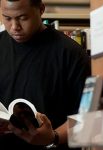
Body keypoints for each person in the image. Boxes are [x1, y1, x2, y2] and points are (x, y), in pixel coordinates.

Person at [0, 0, 91, 149]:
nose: (15, 27)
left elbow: (87, 117)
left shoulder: (70, 53)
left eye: (23, 18)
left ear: (41, 9)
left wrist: (53, 137)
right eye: (7, 18)